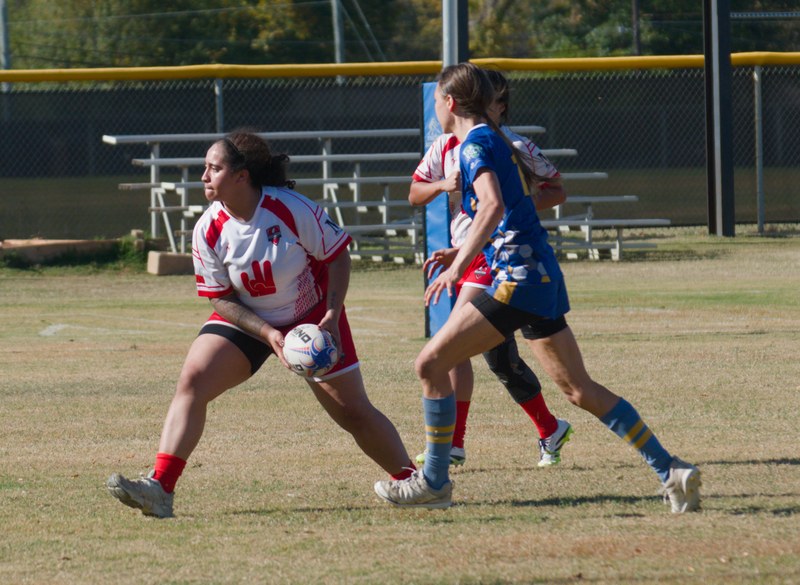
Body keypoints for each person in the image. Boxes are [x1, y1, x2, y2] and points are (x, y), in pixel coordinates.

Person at [374, 63, 701, 513]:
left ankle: (433, 482)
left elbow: (491, 206)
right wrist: (463, 250)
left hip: (515, 278)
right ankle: (671, 469)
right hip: (540, 275)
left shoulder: (474, 145)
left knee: (430, 363)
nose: (437, 109)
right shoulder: (498, 141)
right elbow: (512, 209)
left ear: (449, 103)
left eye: (437, 102)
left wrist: (460, 264)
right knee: (579, 390)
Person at [107, 131, 416, 518]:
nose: (203, 176)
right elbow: (219, 296)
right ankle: (160, 487)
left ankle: (414, 482)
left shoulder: (290, 209)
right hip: (248, 320)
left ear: (242, 176)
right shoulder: (208, 228)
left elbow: (337, 257)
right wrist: (267, 333)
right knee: (193, 381)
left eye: (213, 168)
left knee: (353, 412)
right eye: (204, 168)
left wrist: (332, 317)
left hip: (311, 319)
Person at [409, 68, 572, 469]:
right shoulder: (448, 145)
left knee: (447, 348)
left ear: (500, 106)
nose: (489, 106)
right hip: (466, 254)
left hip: (493, 256)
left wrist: (513, 211)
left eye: (496, 100)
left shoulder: (511, 144)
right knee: (499, 360)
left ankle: (451, 446)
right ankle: (549, 428)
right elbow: (414, 192)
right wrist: (444, 187)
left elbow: (554, 190)